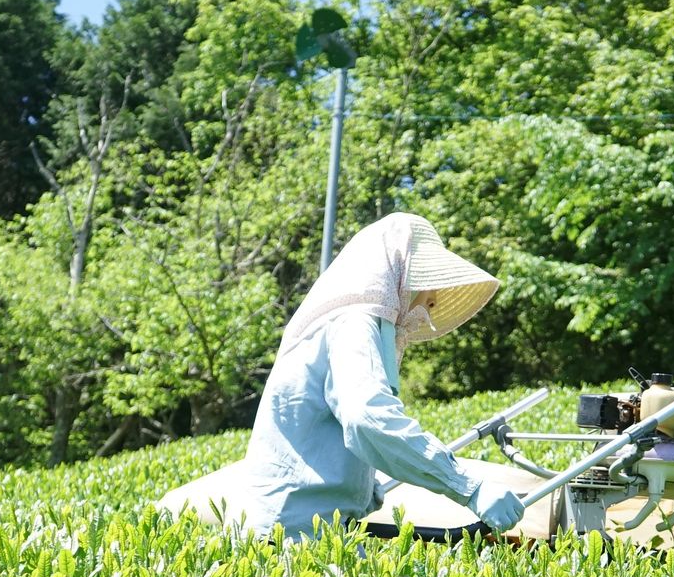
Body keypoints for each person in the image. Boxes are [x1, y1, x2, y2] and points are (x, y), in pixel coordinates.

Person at [158, 212, 526, 539]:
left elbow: (337, 431)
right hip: (290, 537)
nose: (432, 299)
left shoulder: (348, 324)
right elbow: (368, 418)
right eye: (426, 280)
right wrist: (470, 487)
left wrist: (364, 487)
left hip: (307, 531)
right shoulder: (354, 324)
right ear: (396, 274)